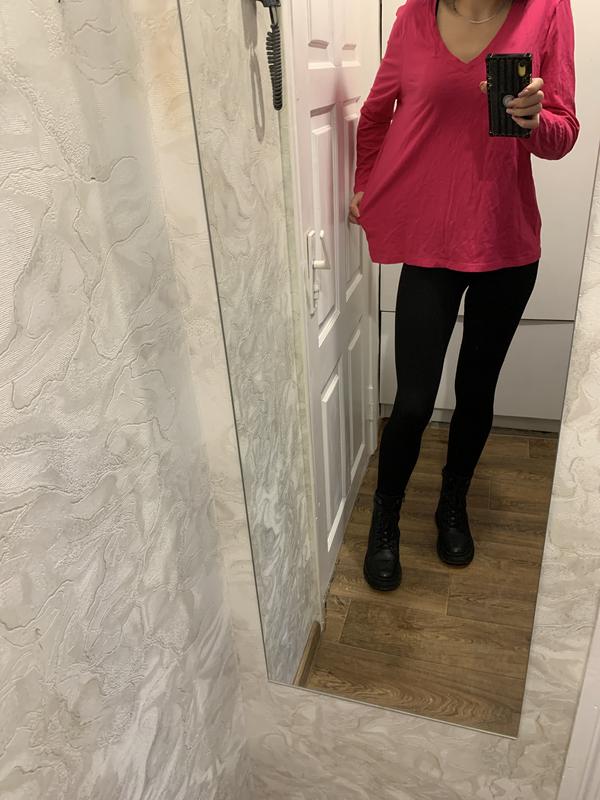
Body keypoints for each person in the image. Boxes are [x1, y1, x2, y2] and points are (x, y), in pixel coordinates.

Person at [349, 0, 579, 591]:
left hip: (506, 242)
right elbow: (374, 115)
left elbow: (563, 135)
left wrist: (533, 121)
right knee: (413, 401)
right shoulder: (413, 17)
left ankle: (452, 503)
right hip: (430, 241)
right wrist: (365, 183)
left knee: (477, 391)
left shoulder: (547, 10)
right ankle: (385, 516)